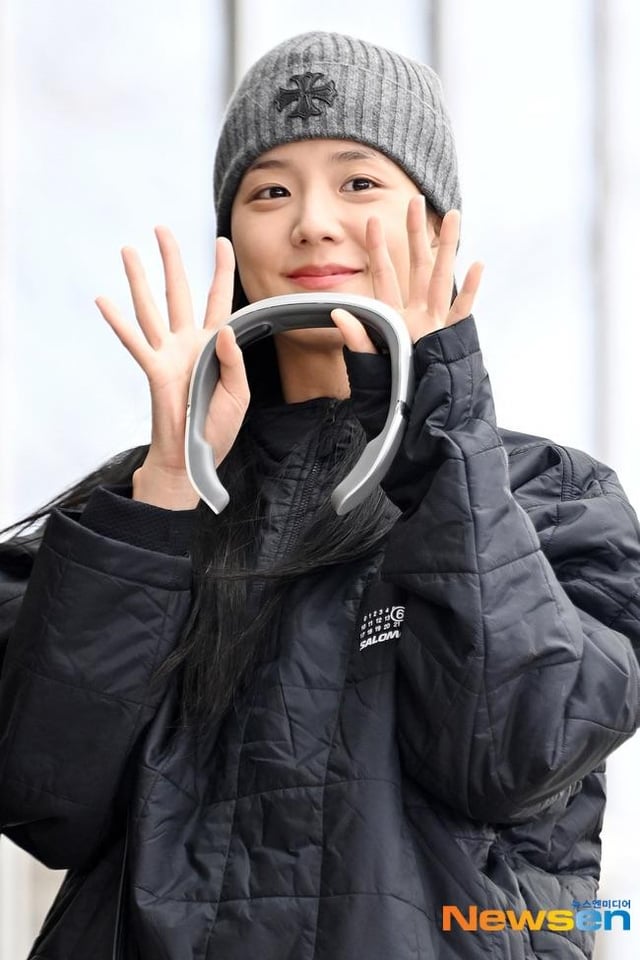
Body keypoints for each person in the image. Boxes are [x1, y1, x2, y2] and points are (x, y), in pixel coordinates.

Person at [1, 30, 639, 960]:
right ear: (231, 239)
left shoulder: (553, 498)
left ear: (437, 227)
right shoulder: (135, 511)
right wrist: (165, 487)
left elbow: (512, 752)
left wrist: (440, 427)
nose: (312, 223)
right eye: (270, 192)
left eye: (359, 182)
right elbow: (42, 800)